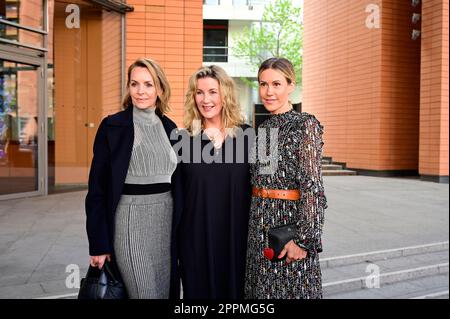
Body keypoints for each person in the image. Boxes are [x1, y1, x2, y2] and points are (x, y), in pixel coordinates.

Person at [85, 57, 182, 299]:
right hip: (129, 220)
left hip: (165, 220)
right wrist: (99, 243)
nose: (140, 91)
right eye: (134, 84)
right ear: (128, 87)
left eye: (148, 84)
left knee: (162, 292)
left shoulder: (171, 128)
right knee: (144, 292)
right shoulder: (113, 126)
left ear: (159, 88)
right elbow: (97, 189)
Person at [245, 57, 327, 299]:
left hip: (288, 231)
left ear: (291, 86)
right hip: (259, 229)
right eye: (263, 84)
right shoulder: (263, 129)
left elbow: (312, 186)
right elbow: (262, 180)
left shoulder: (305, 125)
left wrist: (304, 241)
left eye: (276, 84)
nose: (268, 92)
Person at [177, 65, 253, 299]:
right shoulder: (182, 139)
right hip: (196, 244)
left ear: (225, 94)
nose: (205, 99)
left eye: (212, 91)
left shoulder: (249, 136)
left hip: (238, 243)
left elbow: (265, 191)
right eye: (199, 92)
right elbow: (177, 196)